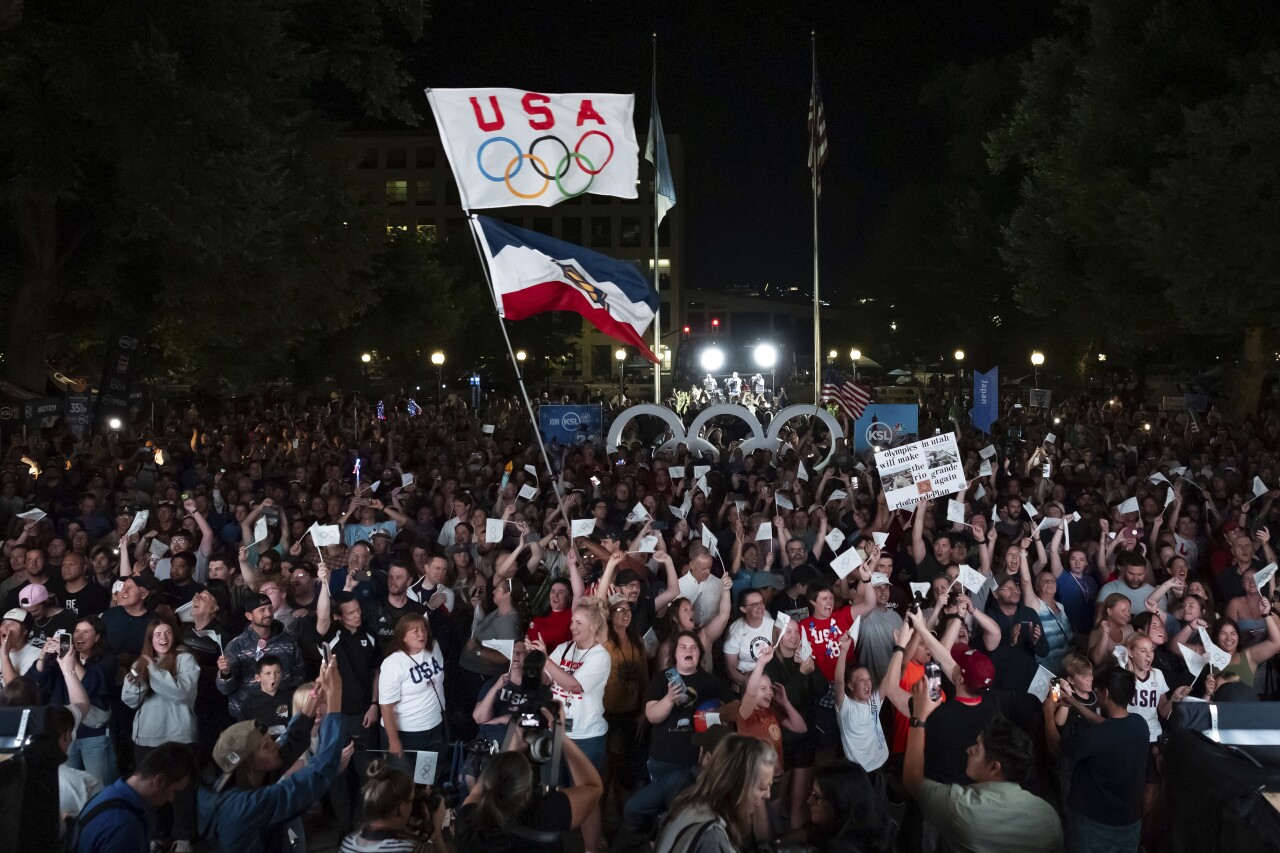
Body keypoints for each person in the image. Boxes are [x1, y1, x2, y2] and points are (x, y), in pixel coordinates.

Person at [197, 657, 353, 853]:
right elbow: (319, 772)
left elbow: (292, 739)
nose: (275, 745)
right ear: (248, 762)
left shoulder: (246, 777)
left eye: (269, 740)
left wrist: (317, 692)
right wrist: (335, 698)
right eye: (265, 746)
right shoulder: (246, 806)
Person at [904, 679, 1064, 852]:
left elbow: (913, 781)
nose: (969, 750)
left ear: (994, 767)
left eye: (977, 749)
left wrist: (919, 718)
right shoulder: (1048, 815)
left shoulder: (962, 807)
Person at [528, 595, 612, 853]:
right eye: (572, 622)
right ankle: (553, 843)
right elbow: (546, 679)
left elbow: (574, 685)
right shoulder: (564, 648)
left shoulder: (600, 656)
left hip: (587, 736)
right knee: (552, 789)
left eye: (578, 622)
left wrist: (547, 661)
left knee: (587, 794)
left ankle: (590, 848)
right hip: (557, 731)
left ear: (594, 626)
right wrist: (532, 661)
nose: (573, 627)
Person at [454, 708, 604, 853]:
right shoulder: (546, 813)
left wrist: (509, 751)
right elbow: (592, 786)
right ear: (527, 789)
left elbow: (476, 792)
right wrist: (560, 735)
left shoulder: (468, 821)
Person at [121, 619, 200, 852]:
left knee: (181, 791)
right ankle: (156, 835)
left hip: (180, 736)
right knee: (150, 790)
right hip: (147, 736)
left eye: (167, 633)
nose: (163, 638)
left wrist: (154, 671)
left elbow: (181, 693)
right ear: (150, 639)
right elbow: (129, 699)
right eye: (157, 634)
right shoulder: (141, 662)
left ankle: (183, 837)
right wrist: (140, 678)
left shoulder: (185, 659)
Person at [1060, 666, 1149, 853]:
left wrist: (1047, 713)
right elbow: (1110, 726)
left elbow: (1056, 748)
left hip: (1094, 824)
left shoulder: (1094, 736)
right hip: (1130, 822)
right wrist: (1075, 704)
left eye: (1098, 689)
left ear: (1105, 693)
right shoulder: (1140, 725)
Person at [653, 734, 776, 853]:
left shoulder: (687, 805)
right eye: (762, 788)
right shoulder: (712, 839)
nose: (768, 795)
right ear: (737, 786)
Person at [74, 742, 197, 853]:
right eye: (174, 791)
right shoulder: (125, 826)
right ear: (160, 781)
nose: (171, 799)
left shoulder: (108, 795)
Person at [216, 591, 303, 719]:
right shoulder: (236, 646)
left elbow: (299, 671)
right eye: (262, 610)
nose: (268, 614)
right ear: (249, 616)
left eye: (270, 608)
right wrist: (225, 673)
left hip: (282, 713)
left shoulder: (288, 641)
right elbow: (225, 689)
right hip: (248, 717)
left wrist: (286, 693)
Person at [378, 613, 447, 769]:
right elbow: (386, 706)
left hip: (434, 727)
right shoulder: (393, 664)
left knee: (426, 777)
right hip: (407, 733)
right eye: (415, 631)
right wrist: (394, 741)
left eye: (423, 629)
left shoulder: (434, 647)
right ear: (403, 636)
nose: (421, 634)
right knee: (404, 782)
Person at [339, 757, 447, 853]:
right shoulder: (409, 849)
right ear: (401, 807)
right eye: (412, 800)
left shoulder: (348, 844)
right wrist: (437, 835)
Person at [804, 759, 893, 853]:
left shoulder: (841, 849)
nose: (809, 801)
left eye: (816, 796)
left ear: (838, 803)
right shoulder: (872, 831)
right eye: (811, 791)